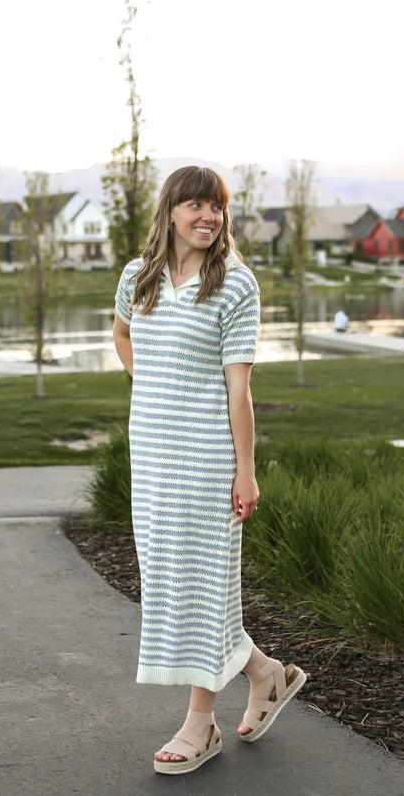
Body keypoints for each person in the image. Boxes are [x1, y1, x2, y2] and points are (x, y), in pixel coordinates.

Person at [113, 165, 306, 775]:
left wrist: (245, 470)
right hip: (151, 456)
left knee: (203, 583)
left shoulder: (236, 285)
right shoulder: (137, 278)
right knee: (173, 582)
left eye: (217, 207)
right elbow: (122, 334)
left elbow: (239, 389)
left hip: (207, 460)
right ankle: (266, 673)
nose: (209, 217)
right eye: (196, 205)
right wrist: (154, 382)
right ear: (170, 210)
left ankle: (202, 725)